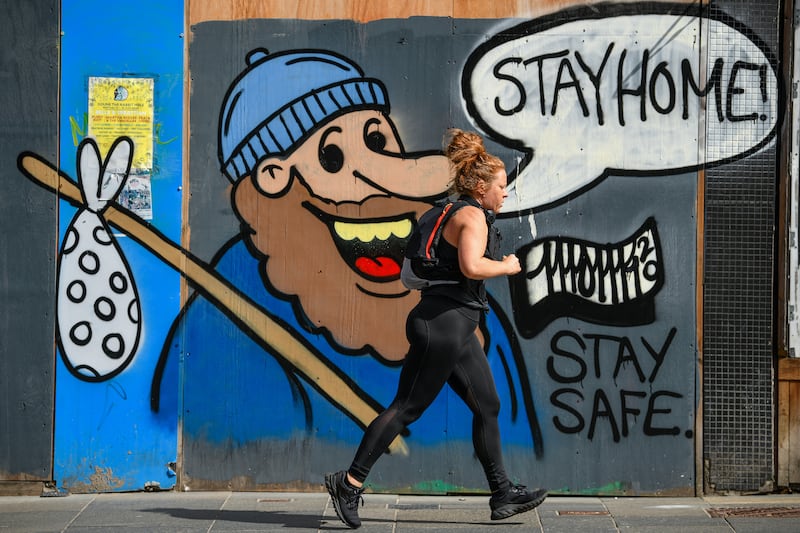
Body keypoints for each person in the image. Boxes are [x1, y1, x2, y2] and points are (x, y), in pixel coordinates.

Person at [325, 129, 547, 528]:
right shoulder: (472, 216)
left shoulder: (450, 211)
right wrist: (508, 266)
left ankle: (502, 494)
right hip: (443, 324)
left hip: (454, 325)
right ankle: (350, 483)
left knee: (487, 405)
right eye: (501, 187)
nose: (505, 194)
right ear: (481, 187)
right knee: (406, 408)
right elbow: (472, 267)